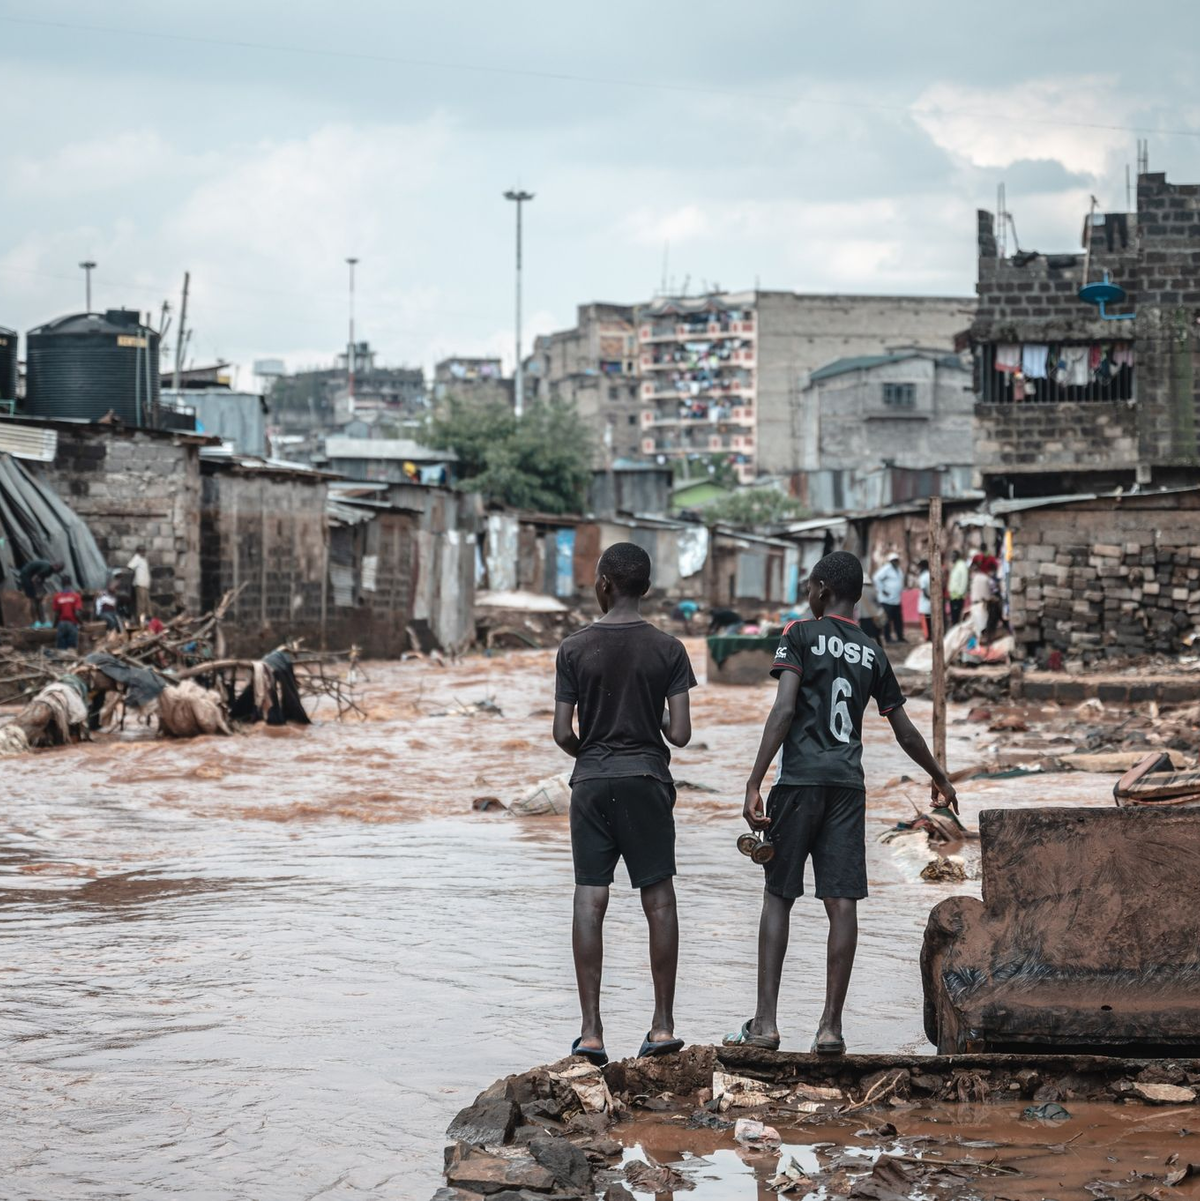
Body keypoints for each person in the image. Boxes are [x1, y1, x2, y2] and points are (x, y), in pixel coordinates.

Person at [724, 551, 957, 1054]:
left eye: (811, 585)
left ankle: (765, 1025)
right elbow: (903, 730)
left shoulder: (799, 634)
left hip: (799, 783)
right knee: (841, 902)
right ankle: (830, 1028)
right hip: (848, 788)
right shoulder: (873, 650)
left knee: (778, 896)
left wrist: (753, 780)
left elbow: (784, 709)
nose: (808, 594)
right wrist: (939, 776)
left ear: (824, 590)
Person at [553, 542, 696, 1065]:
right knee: (658, 901)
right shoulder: (669, 648)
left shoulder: (573, 648)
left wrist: (593, 746)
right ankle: (662, 1027)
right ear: (647, 588)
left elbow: (561, 733)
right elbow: (679, 733)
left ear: (605, 584)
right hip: (647, 780)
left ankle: (591, 1034)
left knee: (590, 900)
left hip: (591, 782)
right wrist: (645, 719)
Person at [17, 558, 63, 627]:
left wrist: (41, 592)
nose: (58, 572)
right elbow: (34, 579)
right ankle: (35, 622)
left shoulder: (49, 570)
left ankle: (42, 622)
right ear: (56, 567)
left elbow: (41, 580)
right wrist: (37, 592)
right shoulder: (47, 569)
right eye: (59, 570)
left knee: (38, 600)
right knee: (33, 600)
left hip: (30, 576)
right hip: (26, 575)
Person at [871, 552, 905, 644]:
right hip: (887, 600)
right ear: (890, 561)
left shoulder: (898, 569)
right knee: (887, 620)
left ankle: (900, 637)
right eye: (893, 560)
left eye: (896, 560)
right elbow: (876, 578)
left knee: (898, 620)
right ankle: (888, 638)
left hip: (896, 600)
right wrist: (882, 589)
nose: (895, 562)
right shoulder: (886, 568)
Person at [51, 576, 84, 650]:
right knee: (71, 649)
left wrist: (54, 626)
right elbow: (77, 613)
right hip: (72, 624)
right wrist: (82, 623)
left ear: (62, 584)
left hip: (61, 624)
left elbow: (57, 614)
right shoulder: (76, 596)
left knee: (61, 649)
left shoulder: (57, 597)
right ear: (71, 583)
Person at [856, 575, 885, 643]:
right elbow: (877, 601)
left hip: (862, 615)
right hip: (873, 615)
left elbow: (856, 604)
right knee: (876, 634)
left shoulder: (857, 591)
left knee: (865, 634)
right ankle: (879, 646)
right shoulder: (872, 590)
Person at [969, 554, 992, 639]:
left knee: (977, 632)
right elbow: (988, 597)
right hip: (981, 606)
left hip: (974, 606)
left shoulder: (974, 578)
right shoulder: (985, 578)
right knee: (982, 631)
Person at [128, 545, 151, 621]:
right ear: (138, 551)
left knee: (146, 603)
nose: (143, 552)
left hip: (145, 584)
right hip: (140, 584)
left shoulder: (144, 559)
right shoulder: (137, 557)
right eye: (142, 551)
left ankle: (147, 619)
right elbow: (130, 566)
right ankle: (141, 620)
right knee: (141, 604)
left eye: (144, 550)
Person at [948, 549, 969, 627]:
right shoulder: (956, 566)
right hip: (953, 596)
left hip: (958, 596)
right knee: (953, 617)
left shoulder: (962, 566)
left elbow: (964, 580)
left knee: (956, 618)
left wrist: (960, 593)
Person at [917, 559, 932, 642]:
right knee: (929, 621)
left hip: (925, 603)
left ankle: (927, 637)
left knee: (925, 621)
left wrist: (928, 597)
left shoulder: (923, 576)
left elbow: (923, 590)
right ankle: (929, 636)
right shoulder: (930, 574)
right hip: (930, 603)